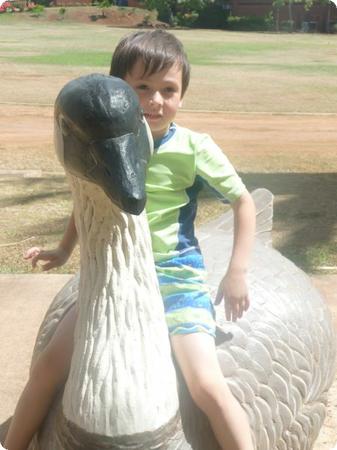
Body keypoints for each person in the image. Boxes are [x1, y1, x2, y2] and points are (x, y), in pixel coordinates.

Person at [3, 30, 256, 450]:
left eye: (168, 90)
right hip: (113, 283)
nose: (156, 101)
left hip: (174, 281)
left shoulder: (193, 148)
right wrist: (64, 249)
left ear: (182, 95)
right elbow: (88, 204)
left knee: (207, 386)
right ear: (119, 89)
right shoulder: (101, 147)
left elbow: (243, 202)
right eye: (142, 88)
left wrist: (237, 271)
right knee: (48, 369)